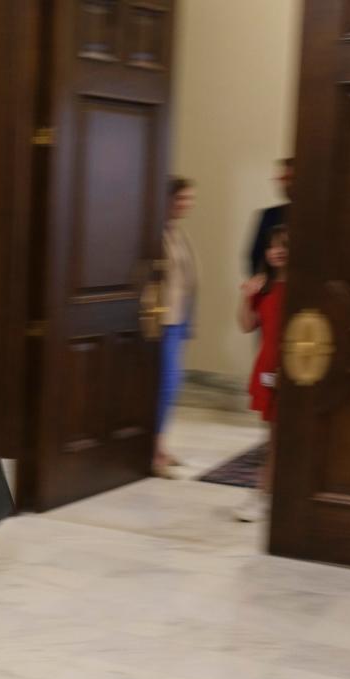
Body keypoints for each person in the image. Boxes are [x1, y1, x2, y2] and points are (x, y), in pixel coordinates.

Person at [235, 225, 288, 522]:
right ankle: (264, 494)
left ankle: (264, 493)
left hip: (292, 365)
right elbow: (246, 325)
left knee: (279, 436)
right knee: (273, 434)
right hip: (268, 365)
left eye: (284, 245)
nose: (277, 251)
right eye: (272, 246)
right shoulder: (264, 286)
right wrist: (246, 296)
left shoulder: (302, 286)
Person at [153, 177, 198, 478]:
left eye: (189, 199)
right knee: (165, 385)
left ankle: (160, 445)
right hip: (163, 320)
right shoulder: (155, 233)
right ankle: (155, 451)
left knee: (173, 384)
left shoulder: (177, 233)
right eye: (181, 198)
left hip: (179, 318)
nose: (186, 204)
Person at [247, 158, 293, 276]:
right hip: (274, 287)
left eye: (289, 178)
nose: (285, 184)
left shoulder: (318, 218)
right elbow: (255, 259)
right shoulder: (270, 215)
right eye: (282, 179)